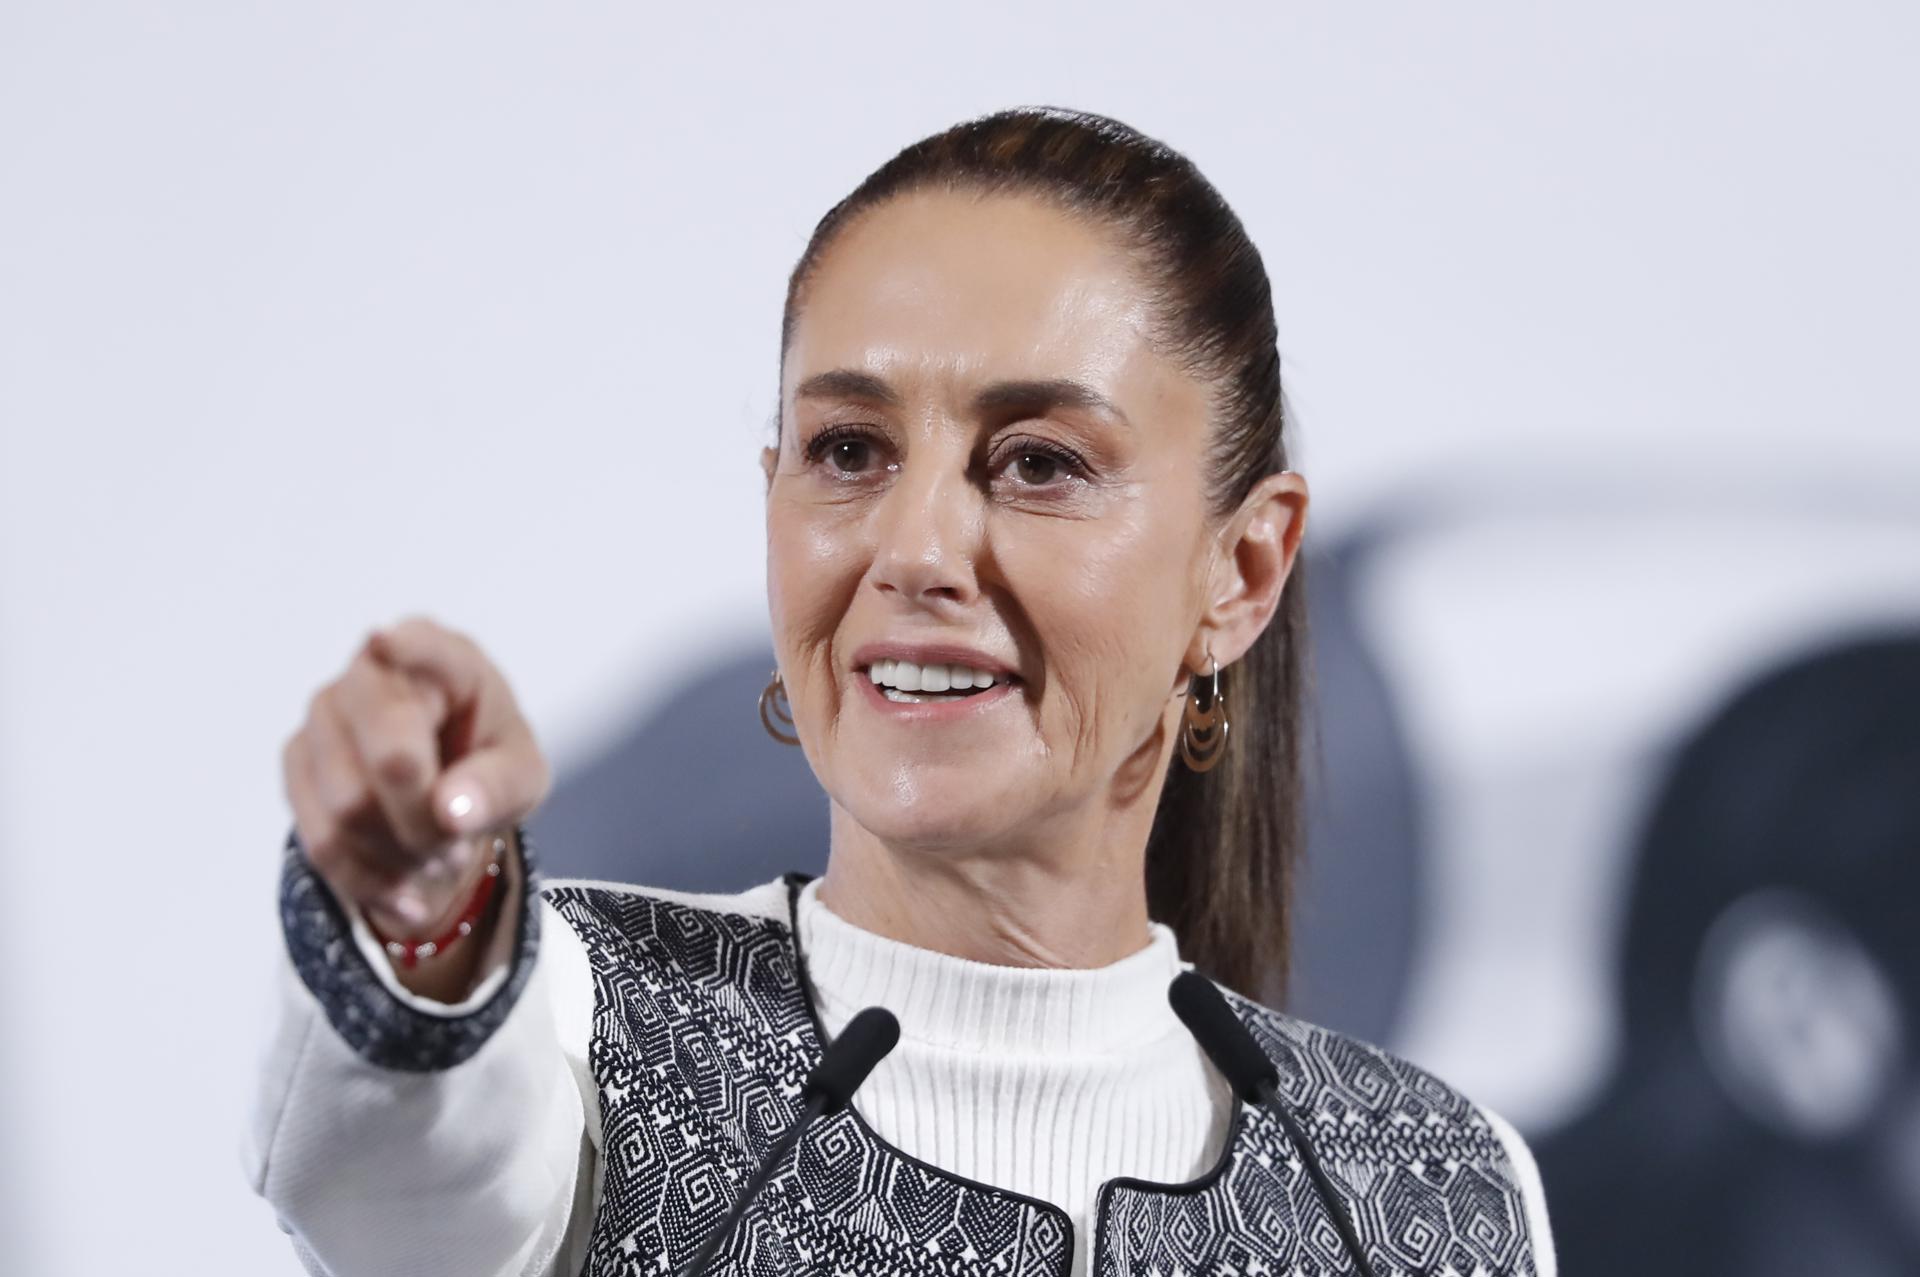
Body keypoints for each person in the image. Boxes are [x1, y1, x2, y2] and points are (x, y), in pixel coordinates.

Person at [244, 106, 1557, 1276]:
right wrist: (417, 919)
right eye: (850, 449)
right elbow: (403, 1172)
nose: (914, 547)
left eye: (1039, 462)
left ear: (1244, 567)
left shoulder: (1430, 1194)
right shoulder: (592, 1035)